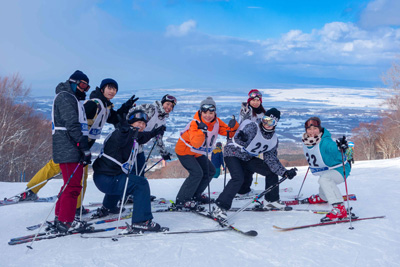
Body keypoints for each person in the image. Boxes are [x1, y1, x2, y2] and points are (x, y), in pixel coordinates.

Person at [21, 78, 138, 215]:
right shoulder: (94, 105)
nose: (112, 91)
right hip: (76, 144)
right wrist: (78, 143)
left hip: (83, 145)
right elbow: (76, 121)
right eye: (109, 88)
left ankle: (72, 206)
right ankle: (32, 191)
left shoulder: (104, 106)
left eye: (114, 89)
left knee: (75, 176)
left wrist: (126, 106)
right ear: (102, 89)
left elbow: (114, 119)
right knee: (59, 169)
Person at [211, 108, 298, 221]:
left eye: (271, 122)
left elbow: (271, 159)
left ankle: (271, 201)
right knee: (238, 178)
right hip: (233, 153)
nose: (266, 124)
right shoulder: (253, 127)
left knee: (271, 171)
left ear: (275, 124)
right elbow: (238, 135)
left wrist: (284, 172)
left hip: (247, 157)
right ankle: (220, 207)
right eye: (265, 120)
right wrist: (241, 138)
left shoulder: (273, 140)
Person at [92, 109, 165, 232]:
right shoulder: (124, 133)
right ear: (130, 122)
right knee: (141, 184)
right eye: (138, 122)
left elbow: (142, 137)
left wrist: (154, 132)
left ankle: (109, 206)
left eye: (143, 123)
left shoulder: (132, 133)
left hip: (103, 178)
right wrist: (123, 129)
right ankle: (141, 221)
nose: (141, 125)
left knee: (122, 177)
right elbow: (121, 139)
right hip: (107, 180)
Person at [175, 97, 239, 208]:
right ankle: (182, 200)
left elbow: (228, 132)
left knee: (210, 171)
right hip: (185, 151)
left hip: (198, 153)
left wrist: (234, 126)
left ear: (215, 112)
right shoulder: (195, 123)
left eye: (211, 112)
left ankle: (196, 195)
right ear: (200, 112)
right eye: (204, 112)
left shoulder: (216, 122)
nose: (208, 115)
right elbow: (195, 143)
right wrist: (201, 131)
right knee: (197, 173)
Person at [51, 70, 92, 233]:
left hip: (69, 147)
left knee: (69, 184)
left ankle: (61, 216)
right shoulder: (65, 97)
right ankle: (65, 221)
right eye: (82, 85)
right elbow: (72, 124)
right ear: (73, 82)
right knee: (73, 186)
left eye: (87, 87)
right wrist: (83, 145)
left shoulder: (71, 98)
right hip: (68, 147)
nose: (84, 89)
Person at [301, 117, 352, 222]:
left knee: (325, 179)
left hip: (340, 169)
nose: (312, 131)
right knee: (323, 179)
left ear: (320, 129)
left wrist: (340, 147)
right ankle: (323, 197)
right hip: (327, 170)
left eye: (315, 128)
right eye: (309, 129)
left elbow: (332, 147)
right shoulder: (307, 141)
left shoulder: (325, 141)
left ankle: (339, 208)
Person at [129, 94, 177, 176]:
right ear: (162, 103)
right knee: (130, 169)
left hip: (139, 144)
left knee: (140, 167)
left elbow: (158, 139)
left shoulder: (162, 121)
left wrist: (164, 153)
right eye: (167, 104)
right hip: (128, 141)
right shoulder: (150, 108)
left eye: (172, 106)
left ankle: (137, 185)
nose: (169, 107)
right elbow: (130, 115)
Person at [236, 89, 267, 195]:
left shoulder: (263, 113)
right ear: (249, 101)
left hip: (255, 145)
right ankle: (242, 190)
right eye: (253, 100)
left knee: (250, 168)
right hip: (244, 143)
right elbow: (241, 124)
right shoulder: (246, 110)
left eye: (258, 100)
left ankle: (245, 189)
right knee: (244, 167)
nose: (255, 102)